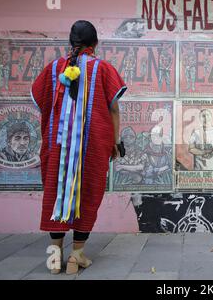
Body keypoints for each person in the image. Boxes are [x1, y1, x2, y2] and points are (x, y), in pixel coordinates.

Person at [31, 20, 127, 275]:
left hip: (56, 145)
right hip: (92, 146)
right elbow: (113, 109)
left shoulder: (53, 69)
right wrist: (117, 142)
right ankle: (76, 257)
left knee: (55, 192)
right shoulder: (103, 69)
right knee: (87, 194)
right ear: (95, 44)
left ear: (71, 43)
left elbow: (42, 103)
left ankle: (54, 258)